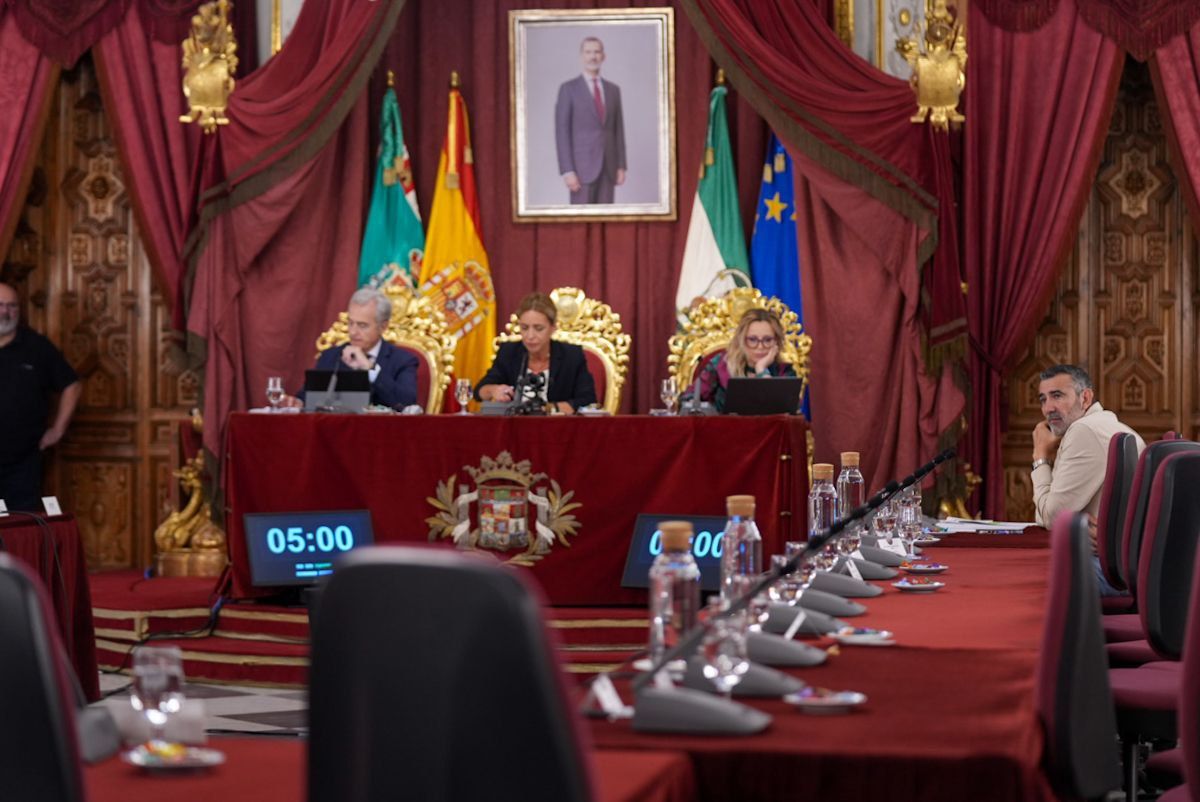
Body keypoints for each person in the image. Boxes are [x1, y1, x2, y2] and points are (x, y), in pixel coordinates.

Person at [1031, 364, 1144, 596]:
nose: (1048, 408)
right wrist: (1075, 523)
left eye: (1057, 396)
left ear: (1085, 397)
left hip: (1110, 572)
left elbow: (1050, 517)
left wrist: (1040, 456)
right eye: (1043, 399)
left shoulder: (1084, 431)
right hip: (1128, 567)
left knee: (1026, 588)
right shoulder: (1107, 424)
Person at [0, 281, 82, 511]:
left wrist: (57, 430)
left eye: (12, 306)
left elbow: (71, 385)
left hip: (22, 463)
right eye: (1, 305)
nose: (6, 312)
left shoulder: (36, 347)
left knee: (19, 529)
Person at [284, 288, 418, 410]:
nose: (353, 332)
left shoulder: (403, 361)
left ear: (383, 327)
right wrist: (298, 402)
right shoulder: (330, 356)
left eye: (362, 325)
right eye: (350, 323)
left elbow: (406, 402)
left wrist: (369, 369)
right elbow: (307, 397)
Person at [475, 292, 596, 414]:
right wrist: (493, 390)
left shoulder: (571, 356)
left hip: (558, 428)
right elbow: (479, 391)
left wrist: (547, 409)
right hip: (515, 429)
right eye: (524, 328)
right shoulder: (509, 352)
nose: (530, 336)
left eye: (538, 328)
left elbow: (588, 401)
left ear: (553, 327)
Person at [555, 36, 627, 205]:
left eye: (597, 52)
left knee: (606, 223)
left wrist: (621, 166)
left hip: (609, 168)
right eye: (588, 52)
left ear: (603, 56)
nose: (593, 56)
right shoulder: (568, 89)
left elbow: (618, 131)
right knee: (581, 226)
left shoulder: (613, 90)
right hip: (581, 171)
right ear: (582, 56)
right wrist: (567, 170)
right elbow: (561, 132)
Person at [693, 307, 796, 413]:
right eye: (752, 339)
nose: (760, 347)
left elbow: (781, 412)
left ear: (777, 342)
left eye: (767, 340)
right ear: (741, 340)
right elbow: (690, 399)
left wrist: (761, 370)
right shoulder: (720, 365)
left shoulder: (784, 371)